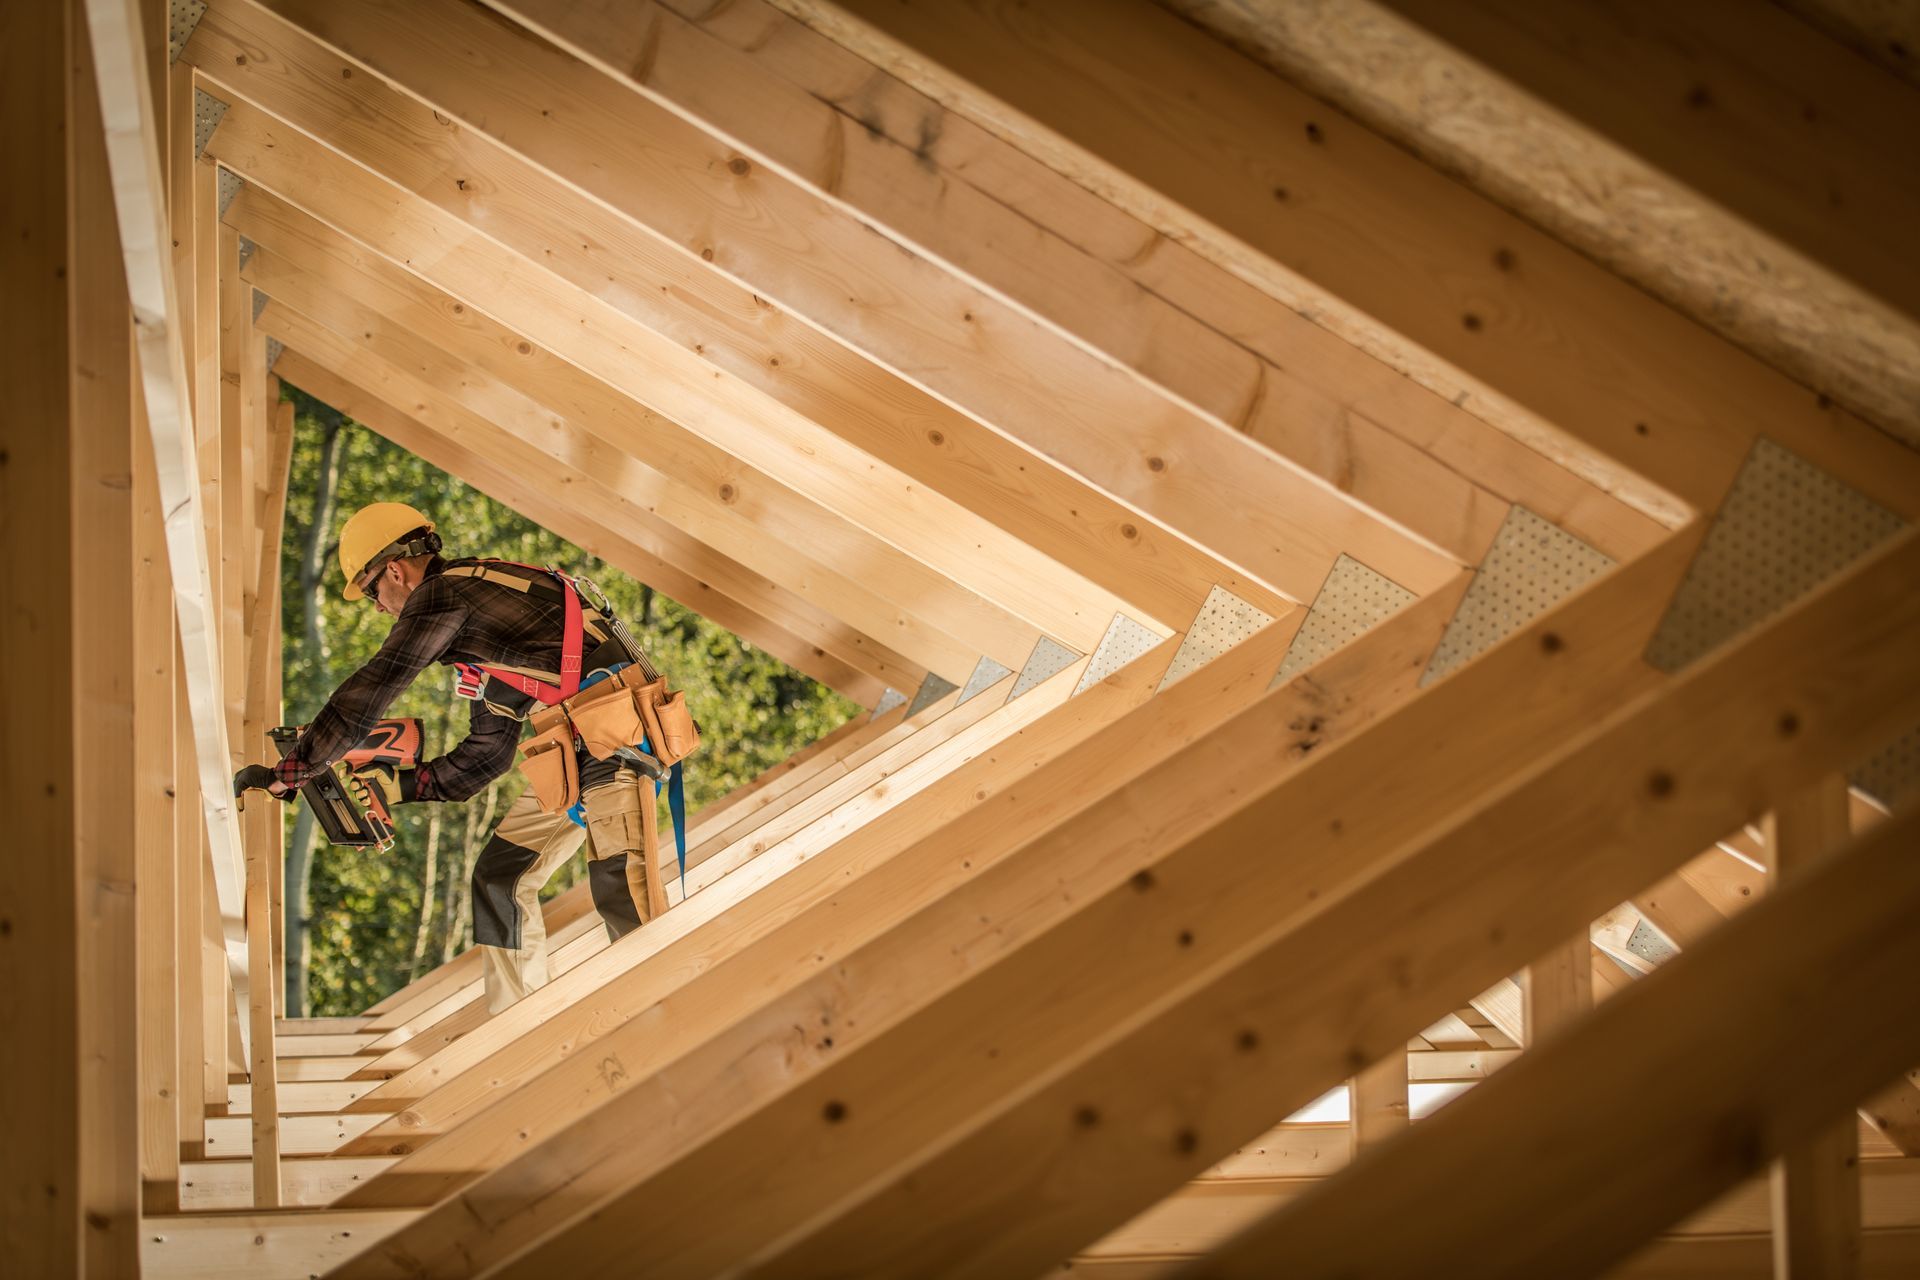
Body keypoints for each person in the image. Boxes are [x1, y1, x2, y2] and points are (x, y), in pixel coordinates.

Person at [236, 502, 671, 1013]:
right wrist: (399, 786)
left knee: (623, 886)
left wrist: (293, 771)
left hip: (618, 738)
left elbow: (373, 688)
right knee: (500, 878)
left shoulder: (446, 594)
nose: (379, 608)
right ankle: (520, 1026)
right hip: (580, 748)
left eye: (373, 591)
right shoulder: (486, 629)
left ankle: (658, 1027)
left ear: (395, 570)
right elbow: (486, 757)